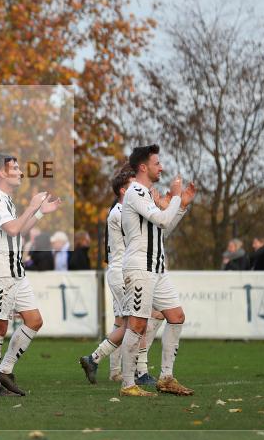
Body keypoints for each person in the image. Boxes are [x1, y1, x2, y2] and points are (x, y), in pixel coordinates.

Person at [118, 144, 196, 398]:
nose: (161, 167)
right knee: (138, 324)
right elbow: (162, 219)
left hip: (157, 268)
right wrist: (174, 197)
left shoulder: (148, 193)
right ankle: (128, 383)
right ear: (144, 167)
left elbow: (162, 230)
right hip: (140, 267)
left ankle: (166, 377)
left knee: (176, 316)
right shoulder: (135, 192)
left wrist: (181, 206)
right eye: (157, 163)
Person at [0, 154, 61, 397]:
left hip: (16, 270)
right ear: (3, 173)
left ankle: (5, 370)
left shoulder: (6, 199)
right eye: (15, 168)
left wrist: (39, 214)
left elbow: (18, 231)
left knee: (34, 320)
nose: (20, 172)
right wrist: (32, 206)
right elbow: (13, 228)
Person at [80, 163, 137, 384]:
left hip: (119, 270)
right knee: (135, 323)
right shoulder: (121, 212)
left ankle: (114, 370)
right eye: (134, 185)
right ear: (123, 189)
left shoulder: (120, 210)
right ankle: (96, 359)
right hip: (123, 272)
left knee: (123, 322)